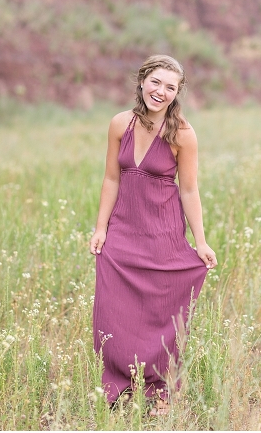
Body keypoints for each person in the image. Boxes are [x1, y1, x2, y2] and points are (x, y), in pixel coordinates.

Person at [88, 54, 217, 416]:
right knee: (113, 313)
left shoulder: (183, 134)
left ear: (177, 93)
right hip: (122, 231)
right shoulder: (119, 124)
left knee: (162, 312)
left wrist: (201, 242)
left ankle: (161, 391)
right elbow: (111, 178)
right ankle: (120, 386)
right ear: (142, 81)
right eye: (156, 82)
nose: (161, 91)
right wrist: (101, 228)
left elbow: (189, 190)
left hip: (162, 234)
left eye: (170, 87)